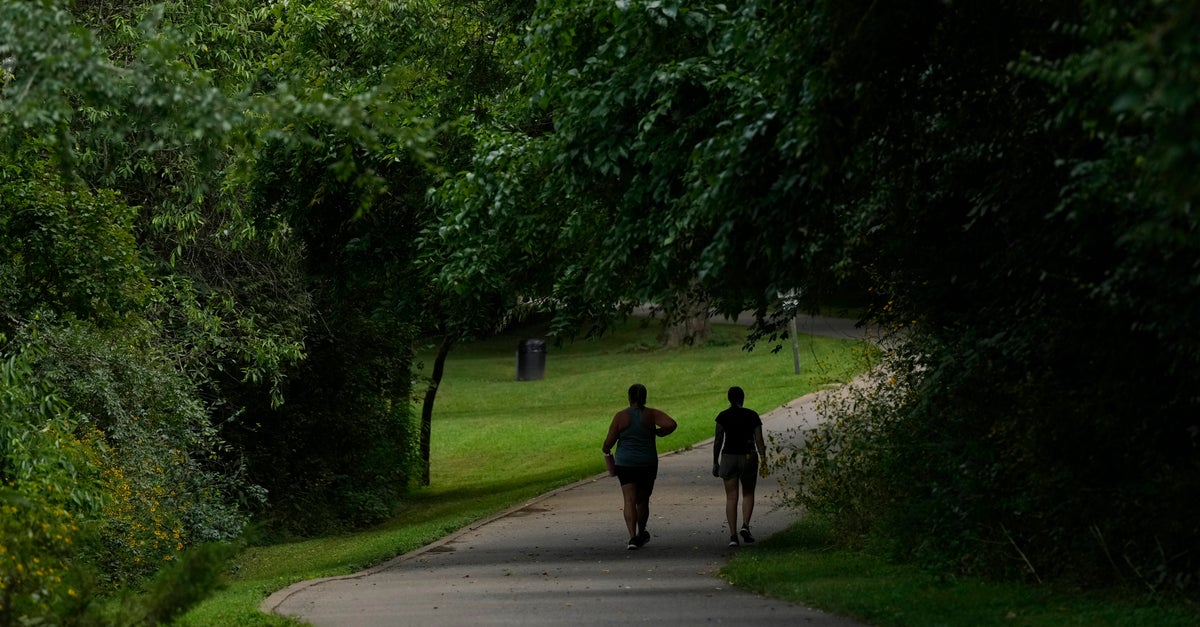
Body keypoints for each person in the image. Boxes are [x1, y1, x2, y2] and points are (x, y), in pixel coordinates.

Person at [602, 383, 677, 550]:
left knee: (629, 499)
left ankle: (632, 536)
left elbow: (609, 441)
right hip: (647, 463)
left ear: (629, 397)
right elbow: (671, 424)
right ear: (644, 397)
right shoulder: (651, 414)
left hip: (625, 463)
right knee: (643, 500)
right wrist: (660, 433)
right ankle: (642, 532)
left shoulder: (621, 417)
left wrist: (606, 450)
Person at [712, 386, 766, 547]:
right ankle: (745, 526)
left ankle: (733, 535)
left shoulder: (723, 416)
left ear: (729, 399)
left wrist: (715, 461)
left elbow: (718, 440)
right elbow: (759, 440)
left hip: (728, 457)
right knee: (748, 493)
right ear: (742, 398)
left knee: (731, 497)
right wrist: (763, 458)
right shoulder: (752, 415)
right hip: (748, 456)